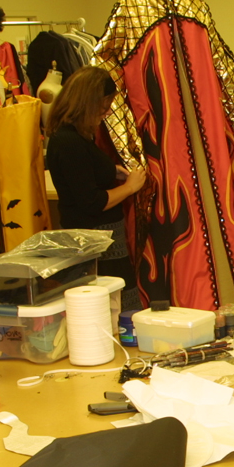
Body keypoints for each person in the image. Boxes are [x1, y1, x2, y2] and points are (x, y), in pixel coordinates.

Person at [46, 66, 147, 310]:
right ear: (87, 103)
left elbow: (82, 174)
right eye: (103, 106)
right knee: (110, 308)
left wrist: (110, 171)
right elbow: (92, 202)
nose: (107, 112)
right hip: (95, 245)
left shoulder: (75, 137)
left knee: (114, 305)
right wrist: (130, 187)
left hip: (102, 243)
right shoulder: (69, 142)